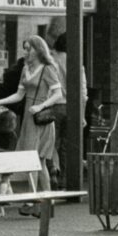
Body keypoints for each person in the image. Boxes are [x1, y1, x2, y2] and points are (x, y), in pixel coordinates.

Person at [0, 35, 61, 214]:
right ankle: (42, 200)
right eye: (25, 49)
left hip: (41, 118)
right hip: (29, 118)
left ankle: (35, 201)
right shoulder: (25, 69)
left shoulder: (48, 69)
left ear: (38, 49)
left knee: (38, 160)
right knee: (35, 161)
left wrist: (41, 106)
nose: (26, 52)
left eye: (29, 48)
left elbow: (58, 94)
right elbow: (19, 95)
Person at [50, 33, 87, 190]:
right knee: (66, 146)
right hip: (72, 108)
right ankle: (65, 180)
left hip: (53, 106)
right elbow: (83, 92)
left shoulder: (50, 61)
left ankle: (52, 174)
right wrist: (82, 114)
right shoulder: (76, 63)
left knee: (51, 144)